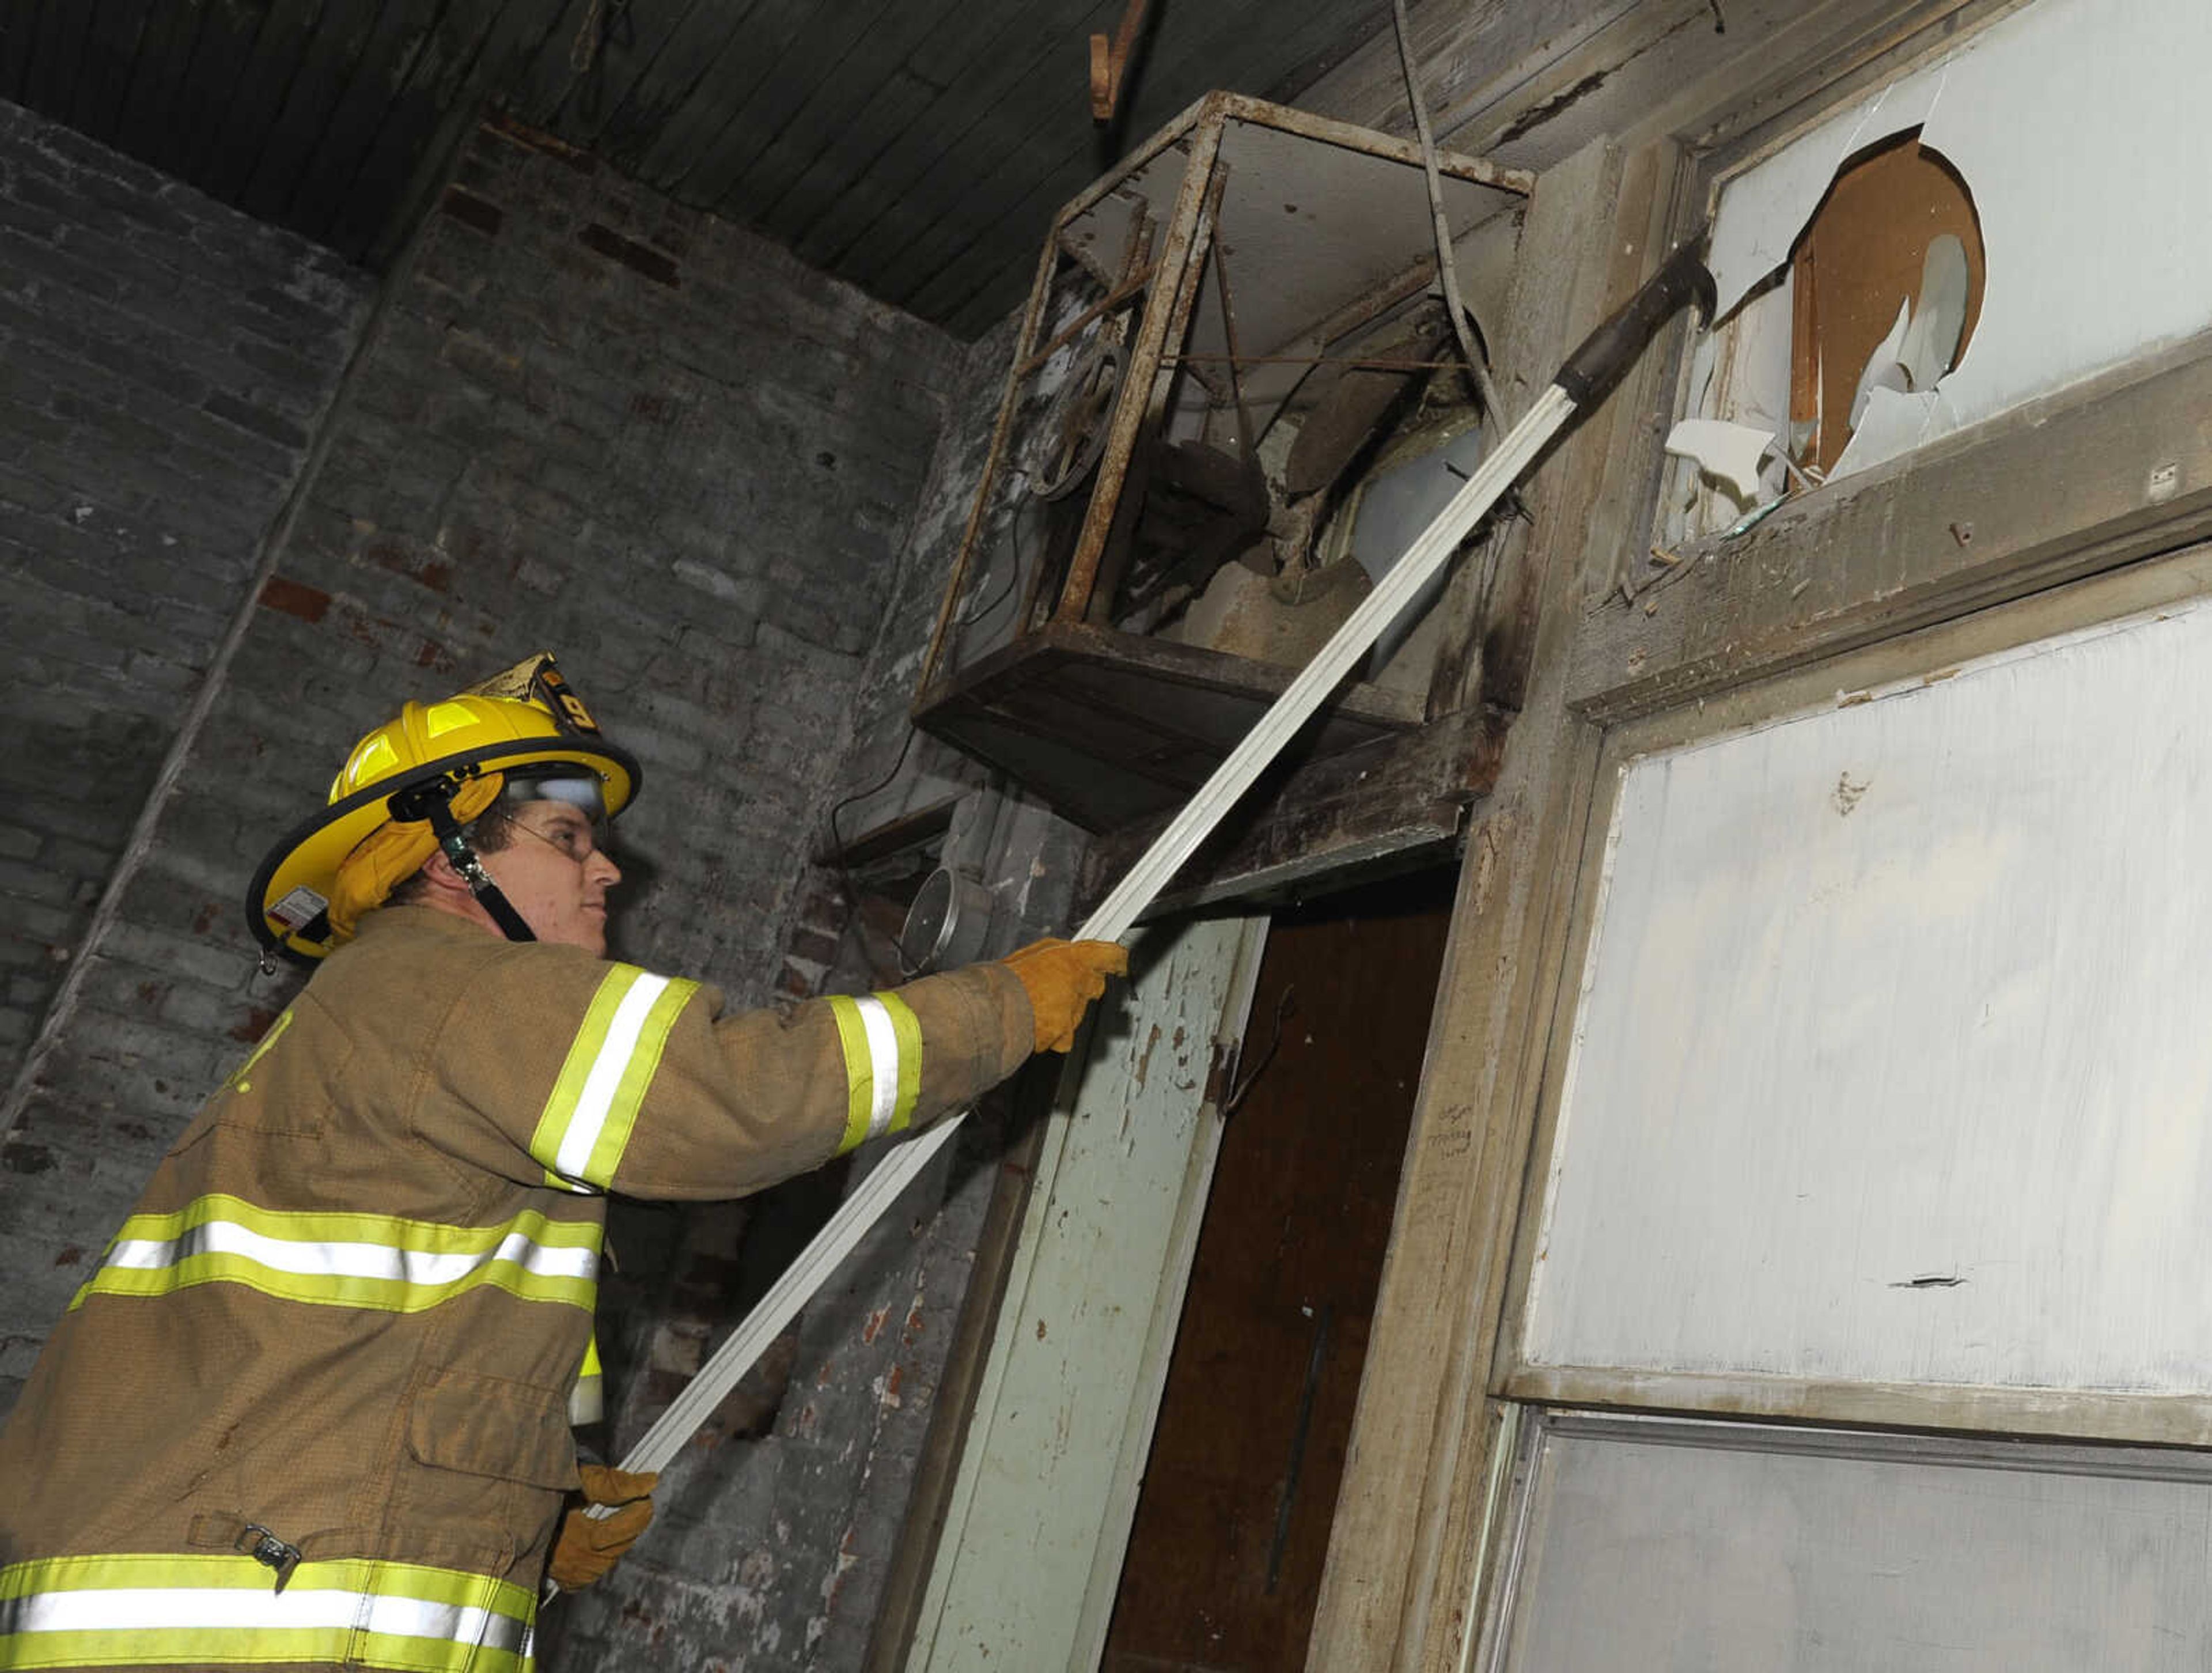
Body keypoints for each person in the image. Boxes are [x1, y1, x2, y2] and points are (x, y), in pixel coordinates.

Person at [0, 654, 1127, 1672]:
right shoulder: (452, 985)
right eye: (567, 838)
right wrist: (999, 1007)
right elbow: (729, 1101)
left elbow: (352, 1349)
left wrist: (531, 1510)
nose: (607, 878)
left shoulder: (370, 1016)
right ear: (443, 852)